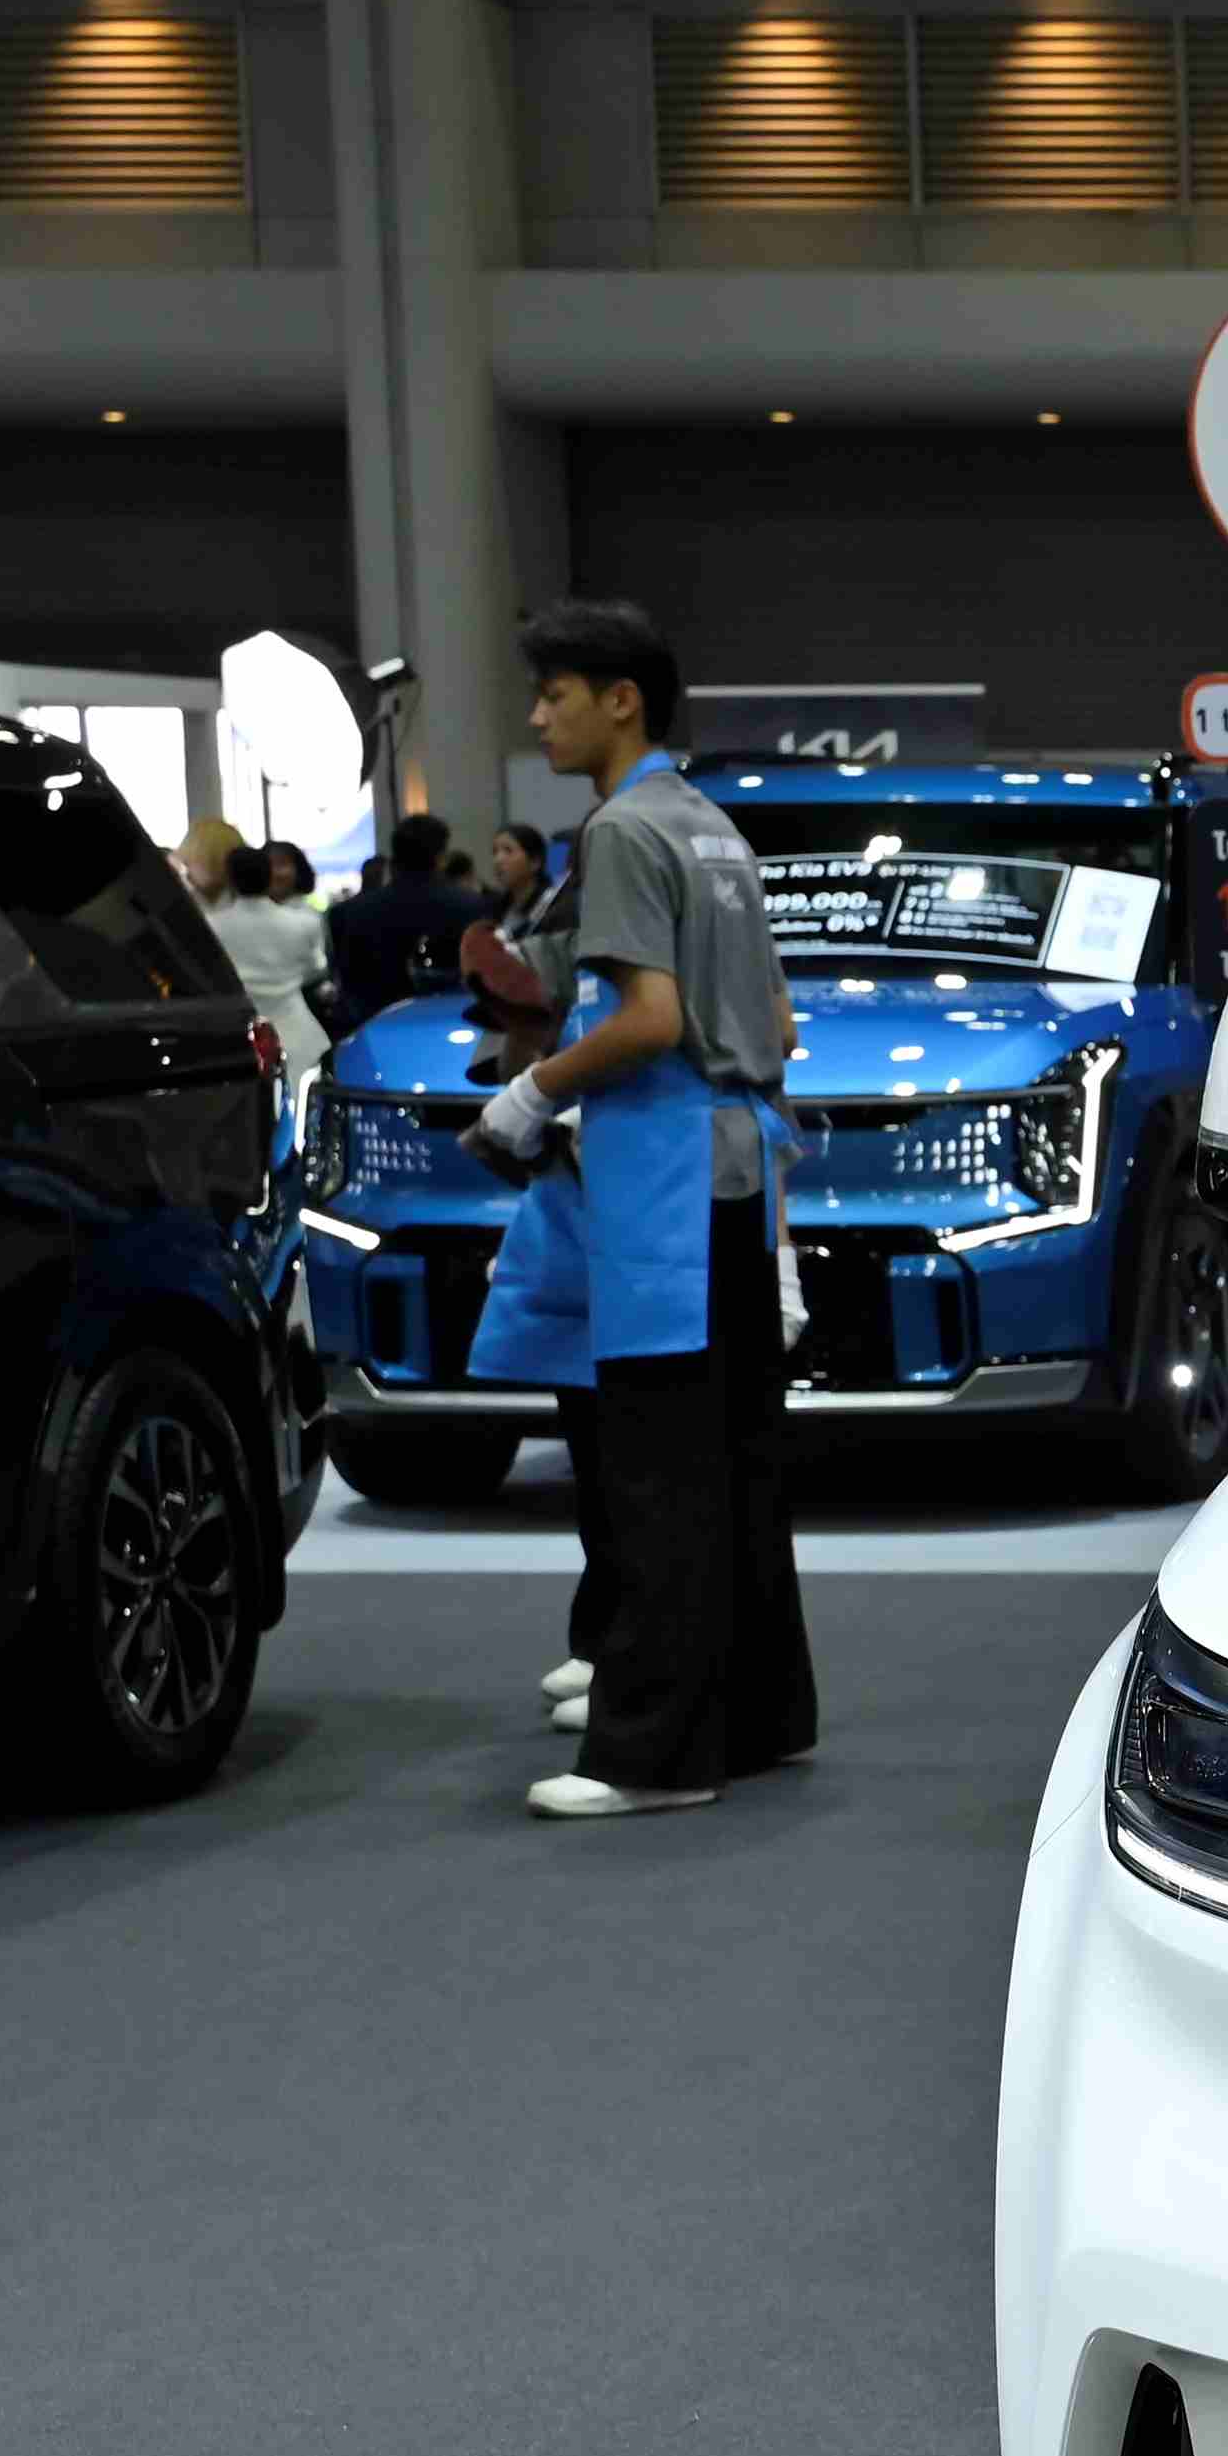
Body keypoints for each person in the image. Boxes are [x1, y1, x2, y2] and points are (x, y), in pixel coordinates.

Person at [462, 597, 816, 1818]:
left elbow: (650, 1021)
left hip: (663, 1181)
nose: (537, 717)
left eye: (554, 694)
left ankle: (653, 1759)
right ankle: (758, 1720)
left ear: (622, 701)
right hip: (739, 1175)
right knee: (735, 1466)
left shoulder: (618, 831)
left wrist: (528, 1093)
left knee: (658, 1473)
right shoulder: (713, 826)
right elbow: (776, 1023)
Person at [325, 808, 491, 1030]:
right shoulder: (471, 906)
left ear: (394, 855)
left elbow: (346, 981)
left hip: (374, 1027)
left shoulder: (349, 912)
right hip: (452, 1024)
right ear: (440, 857)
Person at [200, 837, 332, 1087]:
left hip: (239, 1037)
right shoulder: (305, 922)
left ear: (231, 880)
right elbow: (317, 969)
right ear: (269, 875)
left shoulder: (211, 926)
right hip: (298, 1033)